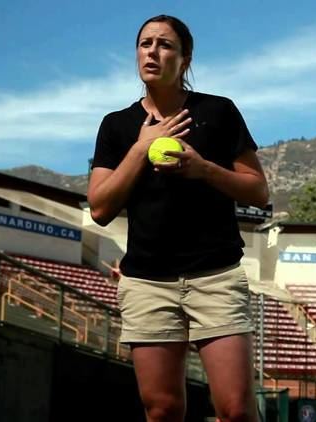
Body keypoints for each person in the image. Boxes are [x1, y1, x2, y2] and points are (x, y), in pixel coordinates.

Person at [87, 15, 268, 422]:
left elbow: (258, 189)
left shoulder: (218, 112)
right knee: (163, 409)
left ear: (184, 60)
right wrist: (140, 150)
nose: (152, 51)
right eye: (145, 43)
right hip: (148, 282)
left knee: (236, 410)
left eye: (165, 44)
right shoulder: (116, 126)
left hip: (215, 276)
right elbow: (99, 208)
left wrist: (204, 169)